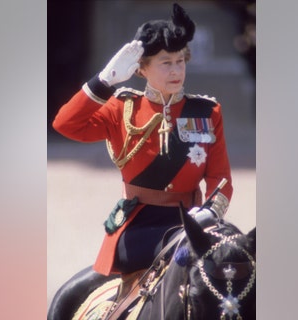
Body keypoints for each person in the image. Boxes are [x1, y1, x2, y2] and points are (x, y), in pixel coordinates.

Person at [51, 3, 233, 318]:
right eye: (166, 63)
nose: (176, 71)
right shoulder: (122, 110)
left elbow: (222, 179)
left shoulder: (206, 112)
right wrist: (103, 82)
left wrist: (208, 213)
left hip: (194, 220)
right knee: (184, 250)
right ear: (141, 68)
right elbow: (65, 124)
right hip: (140, 227)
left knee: (237, 261)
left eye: (180, 62)